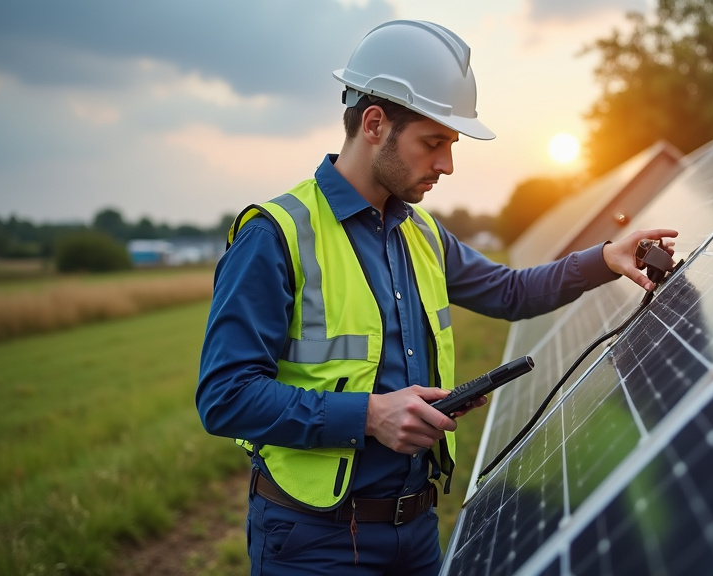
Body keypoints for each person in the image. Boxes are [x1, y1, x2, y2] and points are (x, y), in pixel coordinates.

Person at [196, 19, 678, 576]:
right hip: (314, 544)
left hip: (417, 531)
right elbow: (225, 397)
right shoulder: (275, 234)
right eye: (434, 143)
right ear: (374, 124)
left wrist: (604, 258)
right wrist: (372, 415)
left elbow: (508, 290)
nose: (447, 164)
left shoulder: (420, 233)